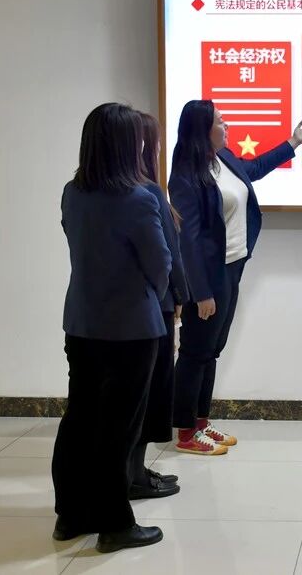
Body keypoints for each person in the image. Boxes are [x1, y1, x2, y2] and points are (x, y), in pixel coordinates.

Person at [169, 100, 302, 455]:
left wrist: (293, 142)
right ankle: (185, 434)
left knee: (212, 350)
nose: (227, 126)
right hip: (208, 277)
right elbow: (189, 240)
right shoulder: (185, 176)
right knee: (195, 352)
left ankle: (201, 423)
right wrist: (201, 292)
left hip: (233, 266)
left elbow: (254, 168)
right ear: (203, 130)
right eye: (221, 121)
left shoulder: (223, 159)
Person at [53, 102, 171, 553]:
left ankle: (71, 515)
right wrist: (153, 295)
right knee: (119, 428)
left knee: (80, 418)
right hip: (131, 329)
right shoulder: (139, 198)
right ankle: (115, 524)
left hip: (82, 323)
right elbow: (159, 264)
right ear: (126, 146)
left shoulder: (72, 192)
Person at [126, 112, 189, 499]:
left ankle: (137, 471)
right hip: (156, 306)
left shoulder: (140, 190)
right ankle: (133, 476)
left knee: (146, 397)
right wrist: (178, 296)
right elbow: (167, 257)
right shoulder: (146, 192)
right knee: (148, 397)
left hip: (150, 304)